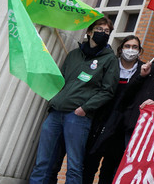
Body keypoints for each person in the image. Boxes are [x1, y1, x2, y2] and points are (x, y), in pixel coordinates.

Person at [28, 18, 119, 184]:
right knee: (43, 162)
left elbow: (108, 91)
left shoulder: (110, 59)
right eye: (99, 29)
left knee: (74, 165)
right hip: (56, 114)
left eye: (107, 31)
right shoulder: (73, 55)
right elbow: (61, 81)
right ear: (89, 32)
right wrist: (55, 101)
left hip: (78, 117)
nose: (103, 33)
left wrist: (84, 108)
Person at [82, 35, 143, 184]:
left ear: (140, 51)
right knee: (88, 167)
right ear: (121, 49)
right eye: (127, 46)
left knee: (109, 172)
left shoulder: (145, 70)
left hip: (122, 128)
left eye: (135, 47)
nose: (131, 50)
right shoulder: (109, 65)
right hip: (99, 122)